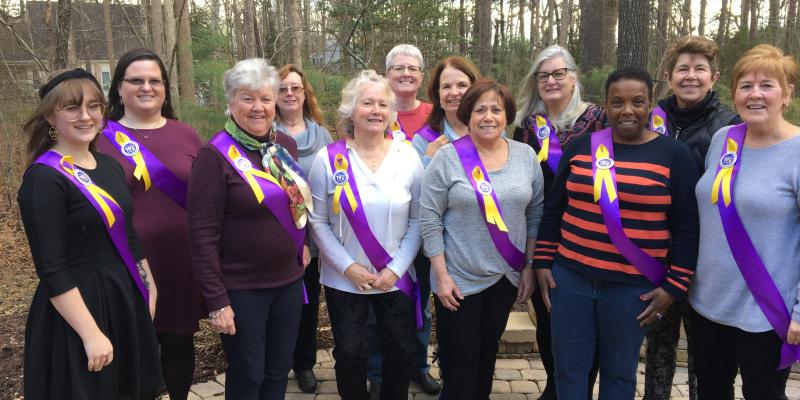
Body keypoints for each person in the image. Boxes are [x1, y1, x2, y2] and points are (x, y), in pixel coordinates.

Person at [533, 68, 700, 399]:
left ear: (650, 104)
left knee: (619, 375)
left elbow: (687, 226)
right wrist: (542, 261)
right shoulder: (581, 148)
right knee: (569, 371)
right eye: (617, 102)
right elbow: (555, 209)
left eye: (637, 102)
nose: (627, 110)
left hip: (632, 289)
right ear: (605, 106)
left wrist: (674, 285)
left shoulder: (673, 155)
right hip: (571, 281)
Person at [18, 68, 162, 399]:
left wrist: (148, 288)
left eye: (94, 106)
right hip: (79, 313)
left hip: (123, 299)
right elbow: (52, 268)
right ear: (51, 116)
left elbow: (129, 235)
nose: (86, 116)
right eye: (73, 108)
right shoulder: (43, 180)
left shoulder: (110, 166)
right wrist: (90, 334)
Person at [188, 58, 311, 400]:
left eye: (265, 98)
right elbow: (201, 235)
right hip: (242, 290)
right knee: (248, 376)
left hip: (287, 282)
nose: (258, 107)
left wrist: (301, 241)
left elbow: (295, 201)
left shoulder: (285, 147)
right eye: (247, 98)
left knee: (277, 371)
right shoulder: (214, 157)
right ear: (230, 102)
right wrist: (216, 301)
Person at [420, 78, 543, 399]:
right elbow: (429, 217)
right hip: (457, 280)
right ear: (467, 114)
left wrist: (528, 266)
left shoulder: (526, 156)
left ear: (507, 115)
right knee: (459, 366)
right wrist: (441, 275)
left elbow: (535, 214)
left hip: (505, 277)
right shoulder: (447, 158)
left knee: (487, 357)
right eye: (479, 110)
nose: (488, 117)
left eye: (496, 110)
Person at [690, 44, 800, 399]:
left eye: (767, 85)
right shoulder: (725, 139)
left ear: (787, 94)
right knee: (710, 390)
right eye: (746, 85)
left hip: (767, 309)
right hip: (709, 304)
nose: (755, 94)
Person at [96, 48, 206, 400]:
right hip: (122, 262)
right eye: (136, 80)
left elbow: (207, 197)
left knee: (178, 342)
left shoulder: (186, 134)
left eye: (154, 80)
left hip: (179, 260)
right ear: (118, 88)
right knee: (132, 346)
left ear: (165, 88)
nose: (147, 87)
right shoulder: (97, 137)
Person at [308, 69, 423, 400]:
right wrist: (348, 267)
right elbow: (317, 221)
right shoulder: (328, 160)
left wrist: (397, 267)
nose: (376, 111)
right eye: (367, 103)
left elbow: (418, 219)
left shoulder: (408, 157)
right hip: (345, 278)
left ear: (391, 112)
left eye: (383, 104)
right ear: (350, 111)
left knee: (401, 351)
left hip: (396, 276)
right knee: (349, 354)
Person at [643, 35, 740, 400]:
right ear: (669, 75)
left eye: (700, 69)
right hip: (654, 252)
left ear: (714, 77)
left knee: (706, 352)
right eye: (683, 68)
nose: (691, 76)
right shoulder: (651, 118)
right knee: (659, 344)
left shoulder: (731, 126)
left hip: (707, 257)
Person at [513, 44, 605, 399]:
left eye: (558, 73)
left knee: (587, 325)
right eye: (543, 75)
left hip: (589, 235)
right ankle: (554, 385)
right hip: (543, 235)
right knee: (548, 317)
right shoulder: (526, 125)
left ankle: (578, 389)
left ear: (573, 77)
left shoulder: (599, 119)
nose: (551, 81)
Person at [368, 44, 439, 396]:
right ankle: (378, 372)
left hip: (425, 230)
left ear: (422, 76)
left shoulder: (434, 116)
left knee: (418, 303)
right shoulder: (374, 112)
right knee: (377, 308)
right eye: (398, 68)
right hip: (381, 234)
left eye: (412, 68)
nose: (405, 73)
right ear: (387, 74)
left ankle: (417, 366)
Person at [274, 63, 334, 393]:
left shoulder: (321, 135)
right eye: (282, 88)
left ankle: (304, 363)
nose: (289, 94)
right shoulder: (264, 133)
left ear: (304, 93)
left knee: (308, 302)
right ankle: (278, 363)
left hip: (312, 235)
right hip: (276, 235)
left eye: (295, 88)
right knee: (279, 303)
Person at [411, 56, 481, 166]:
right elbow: (416, 183)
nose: (454, 92)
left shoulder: (492, 131)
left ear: (475, 89)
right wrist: (429, 159)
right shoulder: (423, 140)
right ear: (437, 94)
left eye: (462, 85)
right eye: (446, 87)